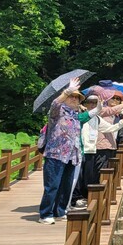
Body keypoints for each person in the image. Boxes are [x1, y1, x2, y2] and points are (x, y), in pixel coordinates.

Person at [38, 78, 85, 224]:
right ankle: (45, 214)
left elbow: (90, 117)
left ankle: (60, 211)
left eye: (77, 97)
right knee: (52, 185)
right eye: (72, 96)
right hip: (56, 154)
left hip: (71, 155)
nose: (74, 99)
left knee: (65, 186)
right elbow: (55, 103)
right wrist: (68, 90)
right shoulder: (57, 112)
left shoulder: (76, 115)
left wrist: (98, 109)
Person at [72, 95, 123, 209]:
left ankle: (85, 198)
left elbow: (110, 128)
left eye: (95, 103)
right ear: (84, 104)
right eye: (89, 102)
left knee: (88, 176)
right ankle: (74, 199)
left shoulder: (97, 118)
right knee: (78, 176)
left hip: (90, 150)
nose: (92, 105)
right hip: (77, 150)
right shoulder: (78, 116)